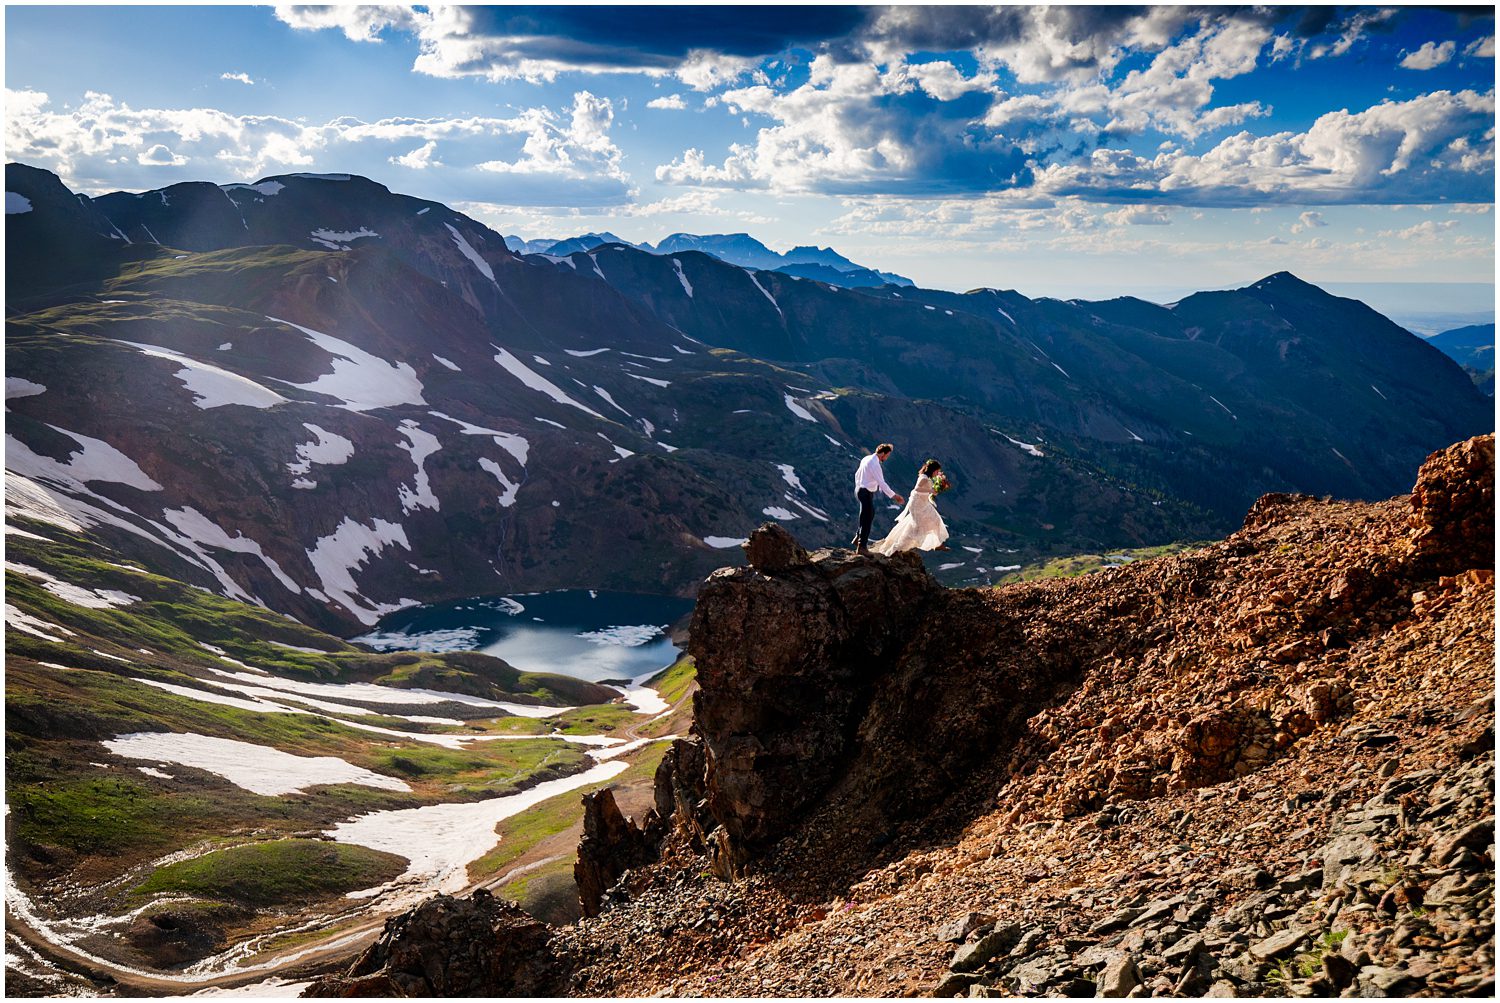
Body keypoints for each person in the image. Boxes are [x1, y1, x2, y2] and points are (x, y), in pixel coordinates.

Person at [870, 459, 951, 556]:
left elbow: (923, 490)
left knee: (935, 520)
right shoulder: (924, 478)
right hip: (918, 505)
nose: (937, 473)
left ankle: (936, 544)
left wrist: (934, 491)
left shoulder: (926, 477)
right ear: (933, 470)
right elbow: (917, 489)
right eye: (937, 471)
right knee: (916, 527)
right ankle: (896, 548)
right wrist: (931, 491)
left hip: (923, 503)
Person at [851, 443, 904, 555]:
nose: (887, 458)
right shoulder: (875, 464)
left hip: (860, 490)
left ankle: (858, 538)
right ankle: (862, 547)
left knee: (867, 515)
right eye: (887, 455)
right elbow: (882, 483)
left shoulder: (866, 458)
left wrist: (859, 485)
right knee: (867, 518)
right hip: (865, 492)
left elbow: (857, 474)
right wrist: (894, 496)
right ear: (883, 453)